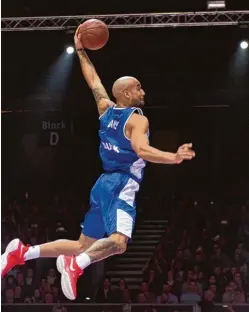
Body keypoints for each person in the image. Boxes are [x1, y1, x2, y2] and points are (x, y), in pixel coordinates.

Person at [1, 25, 195, 300]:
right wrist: (173, 157)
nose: (142, 91)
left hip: (102, 184)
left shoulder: (105, 109)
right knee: (118, 243)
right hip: (121, 182)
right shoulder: (138, 119)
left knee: (83, 244)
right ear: (126, 94)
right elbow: (142, 149)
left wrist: (81, 51)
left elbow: (93, 80)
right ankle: (76, 264)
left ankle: (22, 252)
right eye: (138, 87)